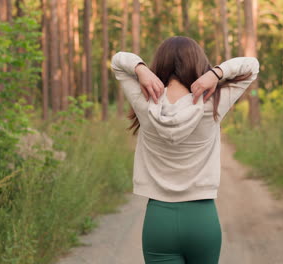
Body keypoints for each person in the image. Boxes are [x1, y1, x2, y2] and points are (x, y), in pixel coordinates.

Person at [111, 36, 259, 264]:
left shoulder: (145, 102)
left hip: (159, 220)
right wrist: (215, 73)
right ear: (198, 64)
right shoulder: (213, 101)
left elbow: (118, 61)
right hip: (202, 218)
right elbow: (252, 67)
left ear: (159, 65)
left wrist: (141, 69)